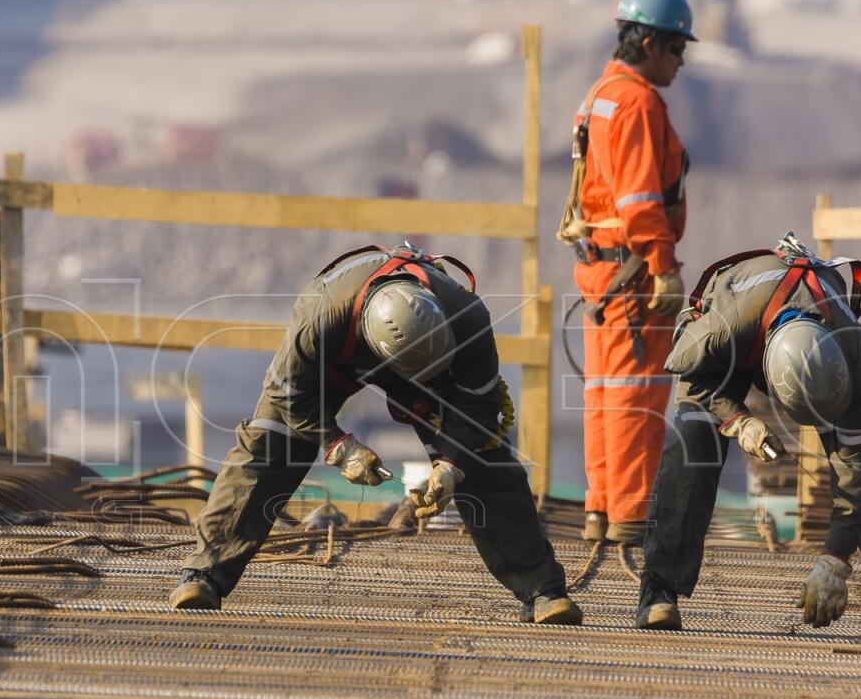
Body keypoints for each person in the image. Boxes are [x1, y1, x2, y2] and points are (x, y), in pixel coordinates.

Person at [169, 244, 582, 625]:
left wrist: (451, 465)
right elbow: (287, 394)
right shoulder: (319, 317)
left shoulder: (469, 319)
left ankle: (543, 591)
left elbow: (479, 409)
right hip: (338, 357)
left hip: (431, 370)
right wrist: (337, 446)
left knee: (484, 456)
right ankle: (204, 574)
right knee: (269, 440)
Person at [635, 233, 861, 644]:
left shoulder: (848, 350)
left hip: (803, 331)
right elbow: (690, 376)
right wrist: (739, 420)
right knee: (693, 442)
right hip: (729, 350)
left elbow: (858, 470)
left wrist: (834, 561)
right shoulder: (720, 332)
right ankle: (658, 590)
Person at [557, 0, 693, 545]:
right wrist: (663, 267)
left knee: (606, 392)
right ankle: (630, 517)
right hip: (632, 274)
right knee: (636, 393)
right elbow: (639, 199)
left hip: (602, 271)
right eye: (677, 47)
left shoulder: (600, 94)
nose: (682, 60)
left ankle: (602, 507)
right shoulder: (637, 102)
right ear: (650, 42)